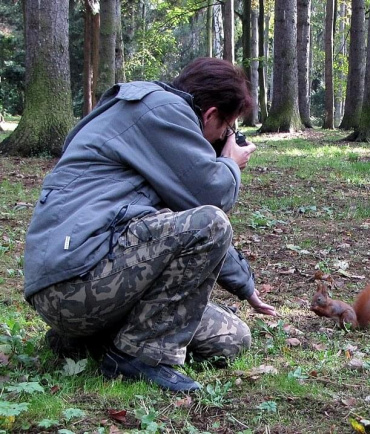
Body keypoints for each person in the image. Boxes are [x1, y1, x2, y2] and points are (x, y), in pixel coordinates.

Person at [23, 57, 278, 392]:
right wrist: (229, 162)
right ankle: (139, 358)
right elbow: (212, 202)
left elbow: (183, 216)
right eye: (227, 129)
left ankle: (84, 340)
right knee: (212, 223)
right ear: (211, 114)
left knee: (232, 338)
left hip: (81, 287)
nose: (226, 137)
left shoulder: (151, 118)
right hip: (75, 283)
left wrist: (246, 287)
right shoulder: (161, 110)